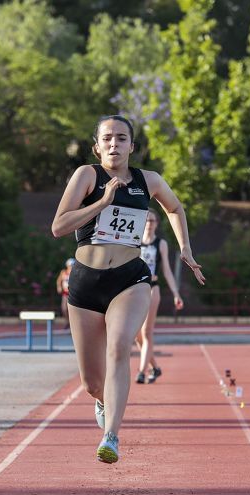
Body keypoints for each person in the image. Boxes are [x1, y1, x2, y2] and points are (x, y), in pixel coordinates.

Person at [50, 115, 206, 464]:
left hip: (131, 278)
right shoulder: (87, 176)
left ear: (132, 146)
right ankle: (102, 399)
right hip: (86, 281)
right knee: (92, 381)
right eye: (107, 139)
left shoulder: (147, 181)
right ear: (96, 146)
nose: (114, 145)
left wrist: (185, 249)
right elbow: (59, 226)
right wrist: (102, 202)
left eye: (122, 139)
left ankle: (111, 436)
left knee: (120, 347)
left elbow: (175, 207)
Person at [135, 209, 183, 384]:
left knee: (147, 332)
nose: (149, 224)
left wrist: (176, 294)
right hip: (134, 288)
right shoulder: (135, 241)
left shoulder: (160, 244)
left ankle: (141, 372)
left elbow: (168, 272)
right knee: (136, 335)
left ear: (157, 224)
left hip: (152, 287)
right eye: (146, 221)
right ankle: (155, 367)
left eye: (152, 221)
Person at [55, 258, 75, 327]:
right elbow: (59, 280)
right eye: (69, 265)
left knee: (72, 309)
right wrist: (59, 287)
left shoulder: (76, 272)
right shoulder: (63, 272)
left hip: (73, 293)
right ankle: (67, 322)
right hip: (65, 293)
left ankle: (73, 323)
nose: (71, 267)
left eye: (72, 265)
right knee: (64, 308)